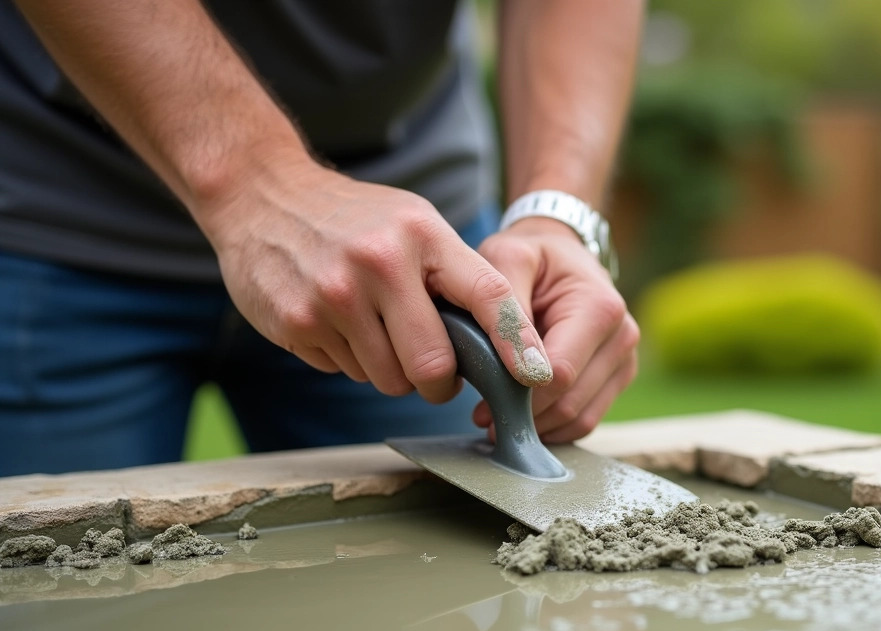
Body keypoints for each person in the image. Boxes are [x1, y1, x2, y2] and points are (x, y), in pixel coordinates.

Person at [0, 0, 644, 476]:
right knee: (68, 623)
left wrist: (554, 213)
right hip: (57, 212)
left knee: (436, 615)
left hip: (414, 269)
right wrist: (253, 182)